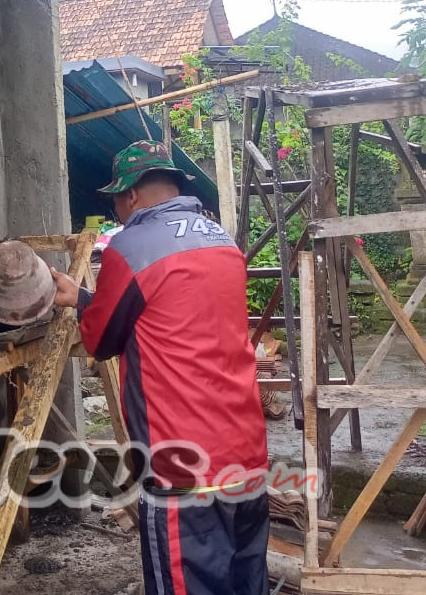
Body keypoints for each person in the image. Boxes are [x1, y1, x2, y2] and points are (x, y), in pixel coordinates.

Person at [52, 141, 269, 595]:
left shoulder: (130, 248)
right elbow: (168, 318)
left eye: (115, 200)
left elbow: (102, 339)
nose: (115, 211)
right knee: (245, 582)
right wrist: (85, 297)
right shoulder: (222, 241)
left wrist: (83, 307)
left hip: (181, 463)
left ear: (129, 195)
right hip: (244, 452)